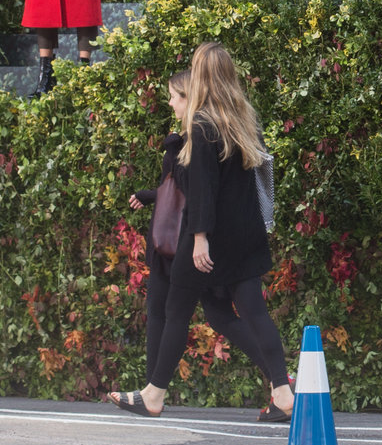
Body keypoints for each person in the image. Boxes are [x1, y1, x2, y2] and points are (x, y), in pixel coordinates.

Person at [109, 42, 294, 421]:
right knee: (253, 312)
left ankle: (154, 395)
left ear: (203, 76)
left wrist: (199, 239)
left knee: (176, 311)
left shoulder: (202, 125)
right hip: (248, 233)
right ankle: (282, 392)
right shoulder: (241, 118)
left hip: (214, 239)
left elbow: (204, 191)